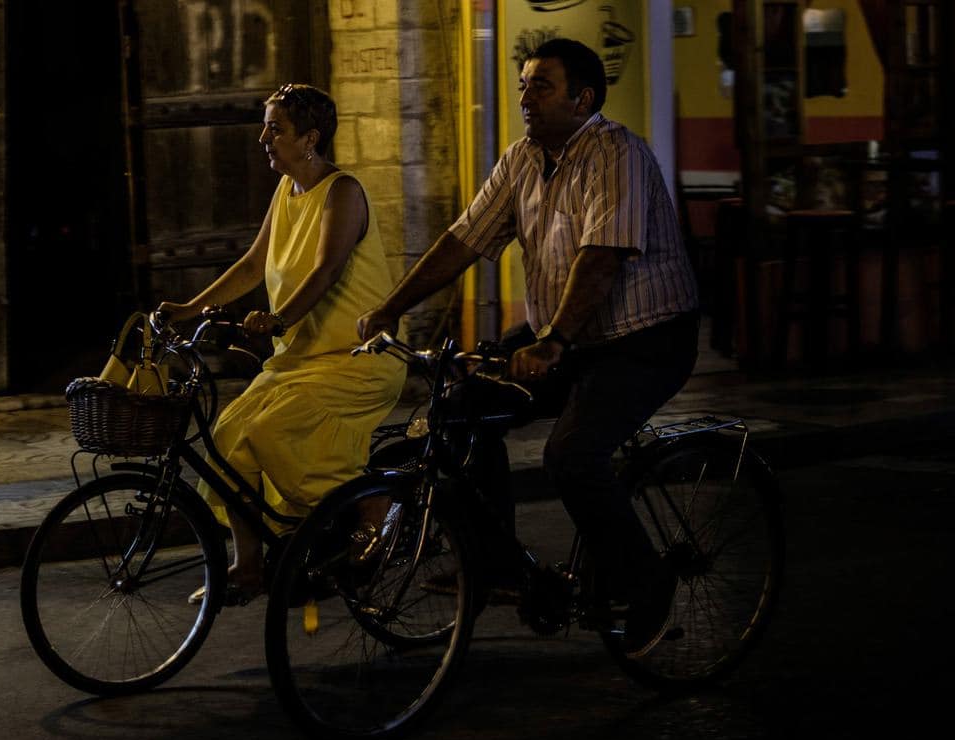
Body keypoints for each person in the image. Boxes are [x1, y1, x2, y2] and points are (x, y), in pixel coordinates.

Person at [358, 39, 699, 652]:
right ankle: (492, 565)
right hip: (566, 337)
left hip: (643, 339)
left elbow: (601, 257)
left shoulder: (616, 152)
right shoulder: (521, 159)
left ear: (583, 99)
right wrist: (391, 308)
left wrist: (553, 342)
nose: (525, 98)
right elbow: (463, 240)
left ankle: (644, 582)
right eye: (523, 86)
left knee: (572, 455)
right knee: (459, 409)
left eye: (541, 86)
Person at [158, 84, 406, 604]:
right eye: (265, 127)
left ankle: (372, 503)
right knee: (229, 438)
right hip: (298, 360)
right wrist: (187, 309)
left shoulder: (342, 191)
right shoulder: (287, 190)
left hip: (356, 359)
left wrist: (277, 319)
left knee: (272, 432)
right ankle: (248, 566)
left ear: (310, 138)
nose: (263, 139)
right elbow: (253, 264)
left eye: (276, 129)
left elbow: (326, 269)